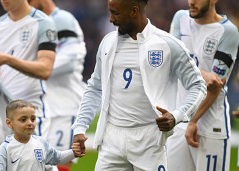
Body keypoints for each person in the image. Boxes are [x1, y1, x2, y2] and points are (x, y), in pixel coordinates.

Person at [71, 0, 207, 170]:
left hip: (149, 139)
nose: (111, 19)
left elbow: (198, 85)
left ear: (134, 11)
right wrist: (80, 127)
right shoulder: (107, 43)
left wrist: (177, 115)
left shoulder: (167, 44)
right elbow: (95, 88)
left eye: (116, 13)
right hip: (112, 138)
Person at [0, 0, 57, 163]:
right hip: (4, 113)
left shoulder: (43, 22)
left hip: (31, 109)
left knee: (32, 163)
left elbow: (45, 69)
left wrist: (7, 59)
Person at [166, 0, 239, 170]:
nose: (191, 1)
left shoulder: (228, 32)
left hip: (210, 127)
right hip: (180, 120)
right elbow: (171, 62)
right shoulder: (180, 18)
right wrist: (204, 74)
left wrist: (194, 121)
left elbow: (215, 86)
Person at [28, 0, 87, 170]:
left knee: (57, 162)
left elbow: (70, 61)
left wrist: (29, 68)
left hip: (65, 106)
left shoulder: (62, 20)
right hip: (45, 105)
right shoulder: (34, 22)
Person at [0, 99, 84, 171]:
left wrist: (73, 153)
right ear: (9, 123)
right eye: (23, 119)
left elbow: (57, 157)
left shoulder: (41, 143)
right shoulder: (6, 148)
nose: (29, 123)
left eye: (33, 119)